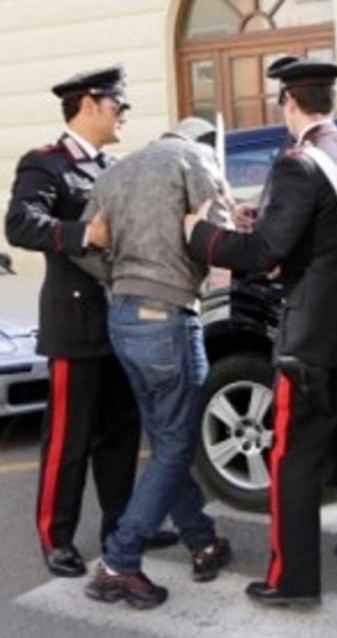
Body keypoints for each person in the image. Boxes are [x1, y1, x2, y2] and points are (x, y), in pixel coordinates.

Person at [183, 56, 337, 606]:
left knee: (294, 456)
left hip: (312, 334)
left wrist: (201, 235)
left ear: (288, 101)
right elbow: (327, 233)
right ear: (331, 99)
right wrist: (267, 221)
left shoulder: (297, 164)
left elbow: (264, 253)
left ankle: (293, 581)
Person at [4, 65, 177, 580]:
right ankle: (56, 537)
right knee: (69, 440)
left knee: (121, 435)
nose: (124, 113)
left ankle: (120, 529)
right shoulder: (46, 163)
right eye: (118, 105)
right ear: (89, 104)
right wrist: (83, 234)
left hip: (122, 321)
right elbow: (20, 224)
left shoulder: (113, 168)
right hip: (75, 324)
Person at [80, 117, 232, 610]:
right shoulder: (197, 159)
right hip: (169, 315)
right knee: (176, 444)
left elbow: (85, 244)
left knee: (169, 439)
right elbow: (219, 236)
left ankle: (202, 541)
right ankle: (119, 562)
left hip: (123, 315)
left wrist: (120, 276)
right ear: (206, 142)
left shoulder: (115, 171)